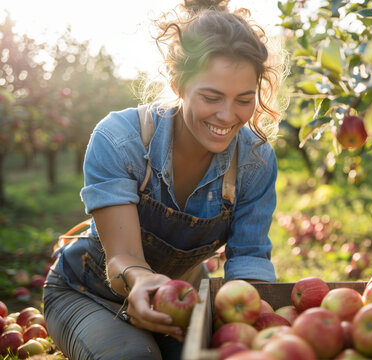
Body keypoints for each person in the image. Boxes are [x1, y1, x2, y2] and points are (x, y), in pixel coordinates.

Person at [43, 1, 286, 359]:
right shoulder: (121, 140)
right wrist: (141, 281)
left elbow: (249, 262)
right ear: (178, 83)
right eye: (211, 96)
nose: (227, 115)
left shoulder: (254, 161)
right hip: (91, 293)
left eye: (244, 100)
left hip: (183, 301)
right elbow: (123, 257)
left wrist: (254, 331)